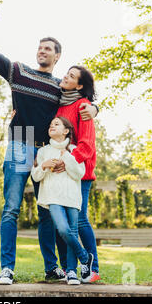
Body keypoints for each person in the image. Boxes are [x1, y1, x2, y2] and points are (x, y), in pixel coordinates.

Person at [0, 17, 99, 285]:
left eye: (48, 48)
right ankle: (7, 269)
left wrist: (95, 108)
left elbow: (81, 100)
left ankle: (52, 268)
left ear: (57, 56)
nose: (42, 51)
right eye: (40, 47)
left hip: (46, 149)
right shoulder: (19, 72)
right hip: (20, 144)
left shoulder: (60, 86)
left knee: (48, 210)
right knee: (11, 208)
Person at [31, 116, 94, 285]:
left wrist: (67, 157)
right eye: (51, 124)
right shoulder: (43, 151)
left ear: (66, 131)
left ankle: (72, 272)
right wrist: (44, 165)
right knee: (63, 230)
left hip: (72, 198)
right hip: (52, 198)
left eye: (56, 124)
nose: (52, 126)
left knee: (72, 232)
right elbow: (35, 176)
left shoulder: (73, 149)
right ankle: (84, 256)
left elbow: (79, 173)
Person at [54, 65, 100, 283]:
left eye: (71, 76)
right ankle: (69, 269)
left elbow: (87, 145)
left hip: (80, 172)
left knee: (80, 220)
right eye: (66, 73)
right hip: (62, 172)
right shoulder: (60, 104)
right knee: (62, 222)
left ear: (79, 86)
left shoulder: (83, 105)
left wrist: (67, 161)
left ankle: (93, 268)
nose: (65, 76)